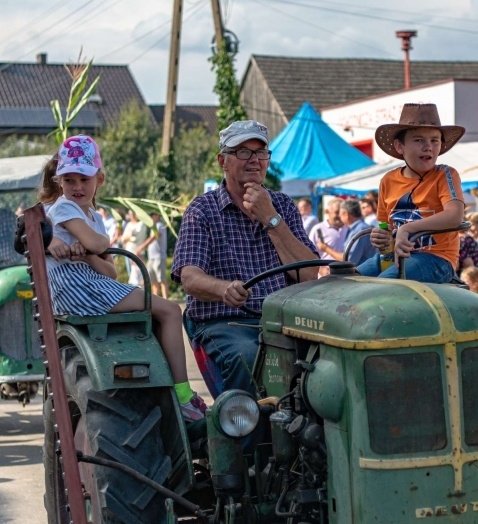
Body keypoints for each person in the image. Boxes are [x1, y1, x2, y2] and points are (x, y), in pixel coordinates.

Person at [43, 135, 205, 421]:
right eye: (69, 180)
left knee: (161, 310)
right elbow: (100, 244)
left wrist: (87, 256)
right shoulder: (64, 207)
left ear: (99, 179)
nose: (77, 187)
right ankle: (182, 395)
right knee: (169, 310)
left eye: (84, 178)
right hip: (76, 289)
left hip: (91, 283)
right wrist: (94, 247)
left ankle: (163, 389)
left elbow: (110, 270)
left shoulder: (92, 215)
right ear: (60, 182)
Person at [172, 120, 319, 396]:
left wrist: (270, 218)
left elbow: (309, 274)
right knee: (250, 357)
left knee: (330, 361)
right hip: (226, 323)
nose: (254, 160)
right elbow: (190, 278)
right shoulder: (202, 210)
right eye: (243, 152)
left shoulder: (283, 205)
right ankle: (243, 432)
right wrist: (224, 289)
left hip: (281, 321)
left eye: (260, 152)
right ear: (222, 161)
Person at [355, 102, 466, 283]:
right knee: (345, 281)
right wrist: (380, 235)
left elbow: (455, 215)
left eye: (434, 140)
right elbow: (387, 228)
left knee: (380, 287)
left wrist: (408, 228)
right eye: (419, 140)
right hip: (393, 257)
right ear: (400, 147)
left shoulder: (445, 174)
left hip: (437, 258)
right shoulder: (388, 180)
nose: (428, 146)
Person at [320, 199, 375, 266]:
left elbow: (349, 260)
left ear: (346, 214)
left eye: (340, 214)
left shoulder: (360, 230)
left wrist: (326, 249)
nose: (339, 217)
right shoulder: (357, 229)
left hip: (363, 274)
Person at [139, 211, 169, 298]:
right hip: (152, 257)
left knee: (161, 279)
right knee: (153, 281)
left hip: (159, 257)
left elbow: (155, 237)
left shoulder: (160, 225)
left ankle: (165, 299)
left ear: (156, 216)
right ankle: (156, 299)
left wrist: (142, 246)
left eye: (152, 216)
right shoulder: (154, 227)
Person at [309, 199, 348, 263]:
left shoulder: (349, 228)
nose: (340, 216)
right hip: (327, 271)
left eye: (343, 213)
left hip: (346, 271)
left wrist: (326, 249)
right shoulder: (318, 229)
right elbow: (309, 254)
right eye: (337, 212)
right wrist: (320, 269)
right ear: (327, 211)